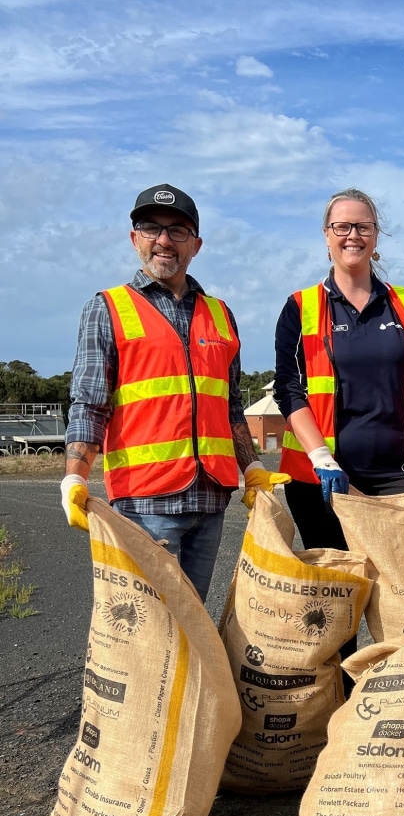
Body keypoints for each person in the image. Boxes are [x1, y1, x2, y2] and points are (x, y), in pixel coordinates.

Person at [62, 183, 288, 602]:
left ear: (196, 245)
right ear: (135, 239)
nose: (164, 240)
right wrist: (74, 476)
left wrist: (252, 468)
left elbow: (231, 405)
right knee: (152, 627)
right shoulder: (108, 308)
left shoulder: (220, 314)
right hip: (146, 500)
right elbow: (90, 403)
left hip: (211, 498)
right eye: (151, 228)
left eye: (178, 231)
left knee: (194, 620)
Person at [272, 186, 404, 554]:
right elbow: (288, 389)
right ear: (327, 235)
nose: (353, 236)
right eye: (342, 226)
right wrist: (320, 458)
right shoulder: (300, 307)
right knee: (335, 604)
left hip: (396, 477)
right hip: (323, 479)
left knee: (403, 603)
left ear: (376, 235)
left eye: (363, 227)